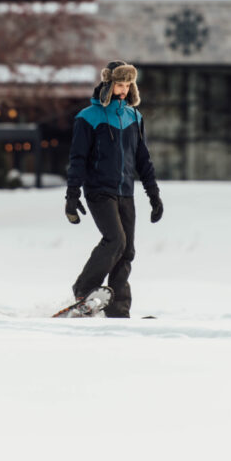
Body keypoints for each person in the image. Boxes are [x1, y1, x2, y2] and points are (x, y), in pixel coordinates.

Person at [65, 60, 163, 318]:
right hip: (99, 190)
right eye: (120, 84)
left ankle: (119, 309)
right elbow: (77, 159)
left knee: (127, 250)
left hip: (125, 192)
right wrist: (72, 195)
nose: (124, 90)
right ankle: (84, 289)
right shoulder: (88, 117)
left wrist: (154, 195)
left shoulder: (134, 116)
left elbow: (143, 159)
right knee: (115, 240)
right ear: (108, 84)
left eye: (128, 84)